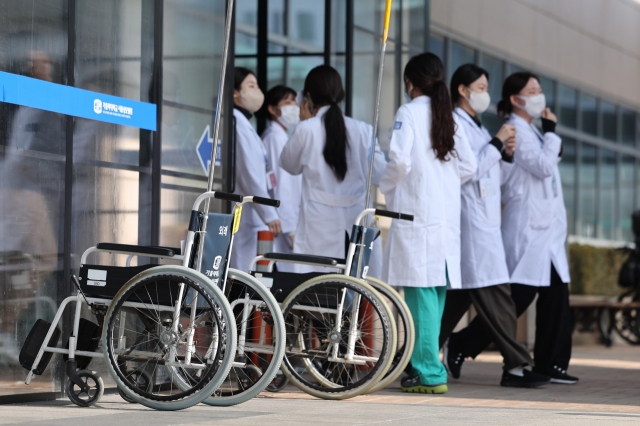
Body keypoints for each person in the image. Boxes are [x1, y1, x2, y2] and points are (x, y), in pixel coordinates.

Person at [452, 71, 578, 385]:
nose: (539, 95)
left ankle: (550, 363)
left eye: (539, 89)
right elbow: (543, 165)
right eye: (532, 90)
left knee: (553, 296)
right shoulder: (517, 131)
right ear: (515, 98)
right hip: (523, 228)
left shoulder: (527, 131)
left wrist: (546, 137)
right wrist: (552, 134)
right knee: (517, 295)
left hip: (543, 230)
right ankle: (467, 343)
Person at [439, 64, 550, 388]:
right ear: (462, 90)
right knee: (499, 295)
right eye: (481, 87)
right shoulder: (456, 125)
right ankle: (516, 365)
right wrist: (497, 145)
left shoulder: (476, 126)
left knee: (458, 299)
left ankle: (415, 356)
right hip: (472, 222)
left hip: (485, 220)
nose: (486, 94)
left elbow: (489, 172)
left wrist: (505, 154)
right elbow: (468, 171)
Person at [379, 53, 477, 394]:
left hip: (417, 215)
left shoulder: (409, 112)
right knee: (433, 296)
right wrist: (441, 181)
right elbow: (469, 166)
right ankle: (427, 365)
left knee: (420, 296)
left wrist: (387, 188)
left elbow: (399, 161)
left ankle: (428, 373)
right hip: (444, 219)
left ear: (410, 82)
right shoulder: (449, 116)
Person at [280, 65, 386, 271]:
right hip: (358, 221)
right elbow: (380, 174)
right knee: (359, 290)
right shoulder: (363, 130)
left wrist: (303, 122)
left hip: (319, 225)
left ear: (308, 97)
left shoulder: (306, 129)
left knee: (317, 291)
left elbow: (289, 165)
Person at [230, 67, 281, 271]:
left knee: (253, 275)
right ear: (234, 92)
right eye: (250, 86)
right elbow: (248, 173)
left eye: (257, 86)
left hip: (253, 216)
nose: (257, 91)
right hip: (247, 215)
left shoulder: (243, 123)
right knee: (243, 274)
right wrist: (269, 212)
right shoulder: (235, 122)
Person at [259, 85, 302, 272]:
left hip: (286, 220)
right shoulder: (275, 138)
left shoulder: (280, 136)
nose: (294, 105)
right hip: (283, 225)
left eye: (294, 100)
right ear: (272, 109)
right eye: (287, 101)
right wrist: (290, 229)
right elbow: (281, 186)